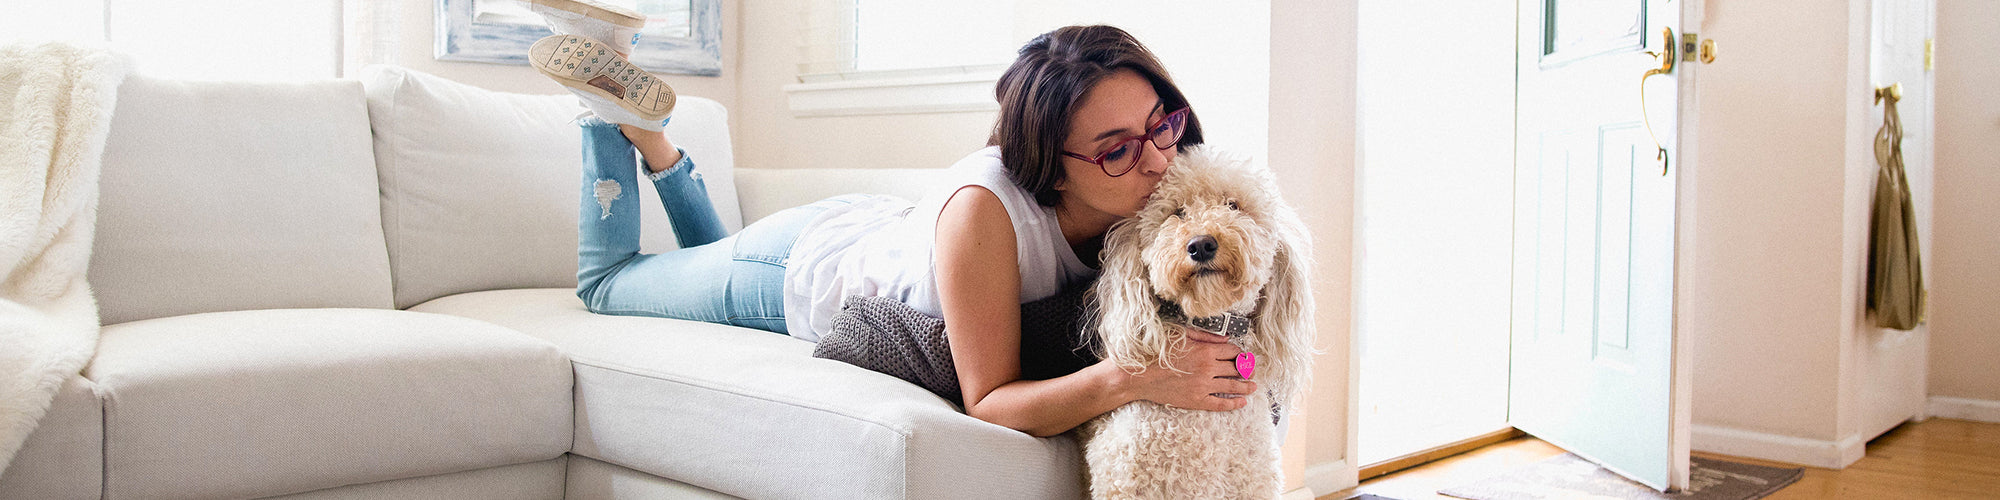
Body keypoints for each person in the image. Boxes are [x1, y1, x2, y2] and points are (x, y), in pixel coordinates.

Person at [527, 0, 1256, 438]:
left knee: (705, 257)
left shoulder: (1156, 189)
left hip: (864, 228)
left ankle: (653, 140)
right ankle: (606, 103)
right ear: (1049, 164)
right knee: (610, 284)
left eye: (1163, 122)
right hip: (790, 273)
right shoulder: (986, 211)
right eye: (1118, 149)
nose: (1160, 159)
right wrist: (1132, 378)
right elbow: (990, 401)